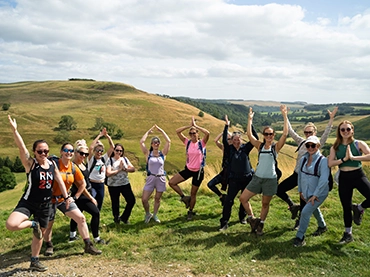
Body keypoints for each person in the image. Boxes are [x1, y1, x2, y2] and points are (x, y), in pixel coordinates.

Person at [5, 115, 73, 272]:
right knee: (12, 224)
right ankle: (33, 224)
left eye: (46, 151)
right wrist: (15, 131)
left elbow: (60, 181)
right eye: (40, 151)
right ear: (35, 152)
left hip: (46, 204)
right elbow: (22, 148)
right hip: (28, 202)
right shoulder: (31, 164)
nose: (44, 154)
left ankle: (34, 261)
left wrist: (67, 197)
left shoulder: (52, 164)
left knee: (40, 234)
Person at [277, 107, 338, 230]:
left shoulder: (317, 143)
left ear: (314, 133)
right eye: (306, 132)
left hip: (309, 177)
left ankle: (301, 223)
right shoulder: (301, 142)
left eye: (310, 132)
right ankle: (293, 206)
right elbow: (291, 131)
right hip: (297, 175)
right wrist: (285, 115)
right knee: (279, 190)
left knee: (306, 200)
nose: (308, 135)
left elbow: (326, 133)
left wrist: (331, 119)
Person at [43, 143, 102, 256]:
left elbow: (83, 183)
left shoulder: (73, 167)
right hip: (49, 200)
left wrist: (75, 197)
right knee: (49, 224)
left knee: (81, 218)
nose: (68, 152)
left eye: (70, 150)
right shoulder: (54, 164)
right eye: (66, 150)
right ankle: (49, 245)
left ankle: (88, 245)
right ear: (61, 152)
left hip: (64, 199)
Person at [240, 105, 288, 236]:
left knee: (265, 204)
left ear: (273, 135)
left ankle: (260, 224)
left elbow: (285, 134)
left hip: (270, 180)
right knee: (243, 198)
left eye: (271, 134)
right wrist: (249, 119)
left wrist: (285, 116)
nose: (268, 136)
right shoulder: (260, 146)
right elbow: (249, 135)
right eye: (266, 134)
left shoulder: (276, 147)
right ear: (263, 135)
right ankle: (252, 219)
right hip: (257, 178)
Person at [328, 120, 370, 244]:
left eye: (348, 129)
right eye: (342, 129)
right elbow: (330, 163)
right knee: (346, 207)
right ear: (339, 132)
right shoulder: (335, 147)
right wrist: (344, 159)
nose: (345, 131)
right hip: (344, 178)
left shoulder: (359, 144)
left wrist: (353, 158)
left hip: (358, 175)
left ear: (352, 130)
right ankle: (348, 234)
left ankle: (359, 207)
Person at [219, 115, 259, 231]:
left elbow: (255, 137)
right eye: (234, 140)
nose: (236, 142)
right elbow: (223, 141)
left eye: (238, 140)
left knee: (244, 199)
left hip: (247, 178)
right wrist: (227, 125)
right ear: (232, 140)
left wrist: (250, 123)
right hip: (234, 180)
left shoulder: (246, 148)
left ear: (241, 140)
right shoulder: (229, 149)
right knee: (229, 201)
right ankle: (224, 222)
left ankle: (242, 217)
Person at [168, 116, 209, 220]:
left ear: (197, 134)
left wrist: (196, 126)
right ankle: (184, 197)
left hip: (198, 172)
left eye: (194, 133)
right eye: (190, 133)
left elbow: (207, 133)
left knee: (193, 193)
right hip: (188, 169)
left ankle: (190, 211)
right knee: (172, 182)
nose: (192, 135)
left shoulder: (202, 143)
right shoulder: (188, 142)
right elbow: (177, 132)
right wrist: (189, 126)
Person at [293, 136, 330, 247]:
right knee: (313, 208)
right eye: (308, 145)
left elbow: (324, 180)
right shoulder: (304, 158)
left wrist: (315, 195)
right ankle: (322, 226)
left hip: (320, 193)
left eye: (313, 145)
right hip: (307, 191)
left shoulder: (323, 161)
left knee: (305, 211)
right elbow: (300, 175)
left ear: (318, 146)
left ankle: (300, 237)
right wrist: (300, 190)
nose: (310, 148)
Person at [69, 139, 105, 244]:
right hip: (81, 195)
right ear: (75, 153)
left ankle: (72, 236)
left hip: (82, 194)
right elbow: (80, 185)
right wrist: (91, 198)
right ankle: (96, 238)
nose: (83, 155)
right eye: (81, 153)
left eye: (85, 154)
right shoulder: (73, 166)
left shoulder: (82, 164)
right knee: (96, 213)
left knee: (77, 215)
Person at [139, 125, 171, 223]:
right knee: (144, 199)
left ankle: (155, 215)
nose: (156, 144)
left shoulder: (163, 154)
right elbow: (141, 142)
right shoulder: (148, 153)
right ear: (152, 144)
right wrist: (148, 131)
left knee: (157, 198)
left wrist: (161, 131)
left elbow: (169, 141)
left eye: (157, 142)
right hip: (151, 178)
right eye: (154, 142)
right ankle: (148, 213)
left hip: (161, 178)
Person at [106, 143, 136, 224]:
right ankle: (116, 219)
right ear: (114, 150)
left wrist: (125, 169)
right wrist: (119, 169)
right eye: (117, 150)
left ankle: (124, 218)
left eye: (121, 151)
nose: (119, 152)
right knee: (115, 203)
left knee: (131, 200)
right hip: (113, 185)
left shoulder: (125, 159)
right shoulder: (109, 160)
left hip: (125, 183)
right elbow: (108, 173)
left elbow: (133, 169)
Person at [88, 128, 114, 211]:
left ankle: (95, 222)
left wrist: (107, 136)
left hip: (101, 185)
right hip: (92, 184)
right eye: (97, 150)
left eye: (101, 150)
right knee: (93, 202)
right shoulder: (91, 159)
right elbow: (91, 147)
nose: (99, 152)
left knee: (99, 205)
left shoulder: (103, 159)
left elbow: (112, 147)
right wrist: (99, 135)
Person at [207, 130, 231, 206]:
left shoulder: (235, 148)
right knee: (210, 184)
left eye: (230, 139)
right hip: (224, 172)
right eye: (227, 139)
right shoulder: (223, 147)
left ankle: (228, 203)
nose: (228, 141)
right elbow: (215, 140)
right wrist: (223, 132)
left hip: (232, 173)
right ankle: (222, 196)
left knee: (231, 190)